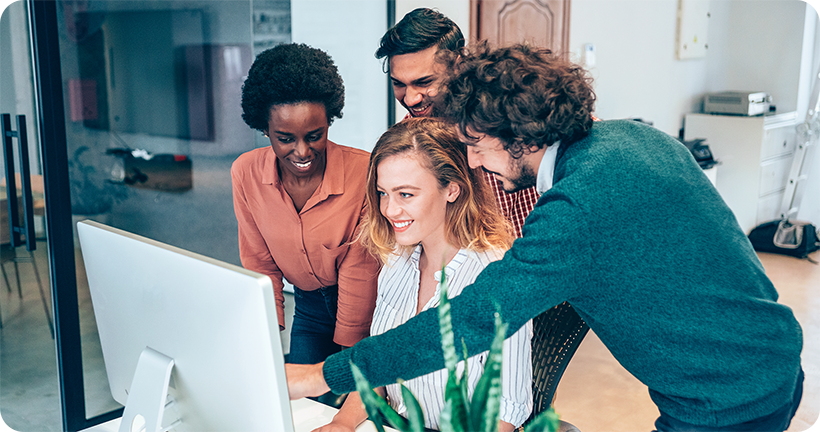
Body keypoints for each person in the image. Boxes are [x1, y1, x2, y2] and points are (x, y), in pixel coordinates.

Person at [286, 43, 805, 432]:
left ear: (521, 136)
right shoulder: (636, 137)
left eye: (477, 144)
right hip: (774, 359)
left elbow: (467, 321)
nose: (472, 161)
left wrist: (321, 377)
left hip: (721, 403)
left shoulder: (575, 210)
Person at [313, 117, 532, 432]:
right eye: (383, 193)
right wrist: (343, 423)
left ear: (452, 190)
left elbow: (503, 416)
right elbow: (378, 368)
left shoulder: (498, 276)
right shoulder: (397, 260)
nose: (388, 210)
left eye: (405, 195)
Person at [233, 44, 380, 370]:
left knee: (349, 406)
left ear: (330, 120)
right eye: (285, 138)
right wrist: (266, 335)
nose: (302, 151)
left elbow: (361, 270)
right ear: (264, 129)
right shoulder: (245, 173)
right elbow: (259, 262)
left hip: (365, 304)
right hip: (309, 304)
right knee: (301, 406)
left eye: (315, 135)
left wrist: (346, 360)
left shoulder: (364, 171)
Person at [376, 7, 539, 238]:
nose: (411, 99)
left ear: (458, 66)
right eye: (399, 84)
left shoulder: (502, 123)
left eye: (424, 82)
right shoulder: (404, 141)